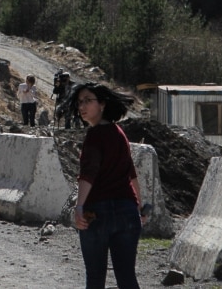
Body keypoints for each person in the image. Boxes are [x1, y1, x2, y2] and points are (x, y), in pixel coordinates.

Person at [67, 82, 148, 289]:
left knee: (95, 278)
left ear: (102, 104)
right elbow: (131, 173)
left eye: (87, 101)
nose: (82, 107)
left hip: (96, 213)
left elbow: (88, 174)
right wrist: (138, 206)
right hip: (127, 213)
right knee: (127, 277)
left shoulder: (95, 135)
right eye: (79, 103)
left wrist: (79, 207)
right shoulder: (119, 133)